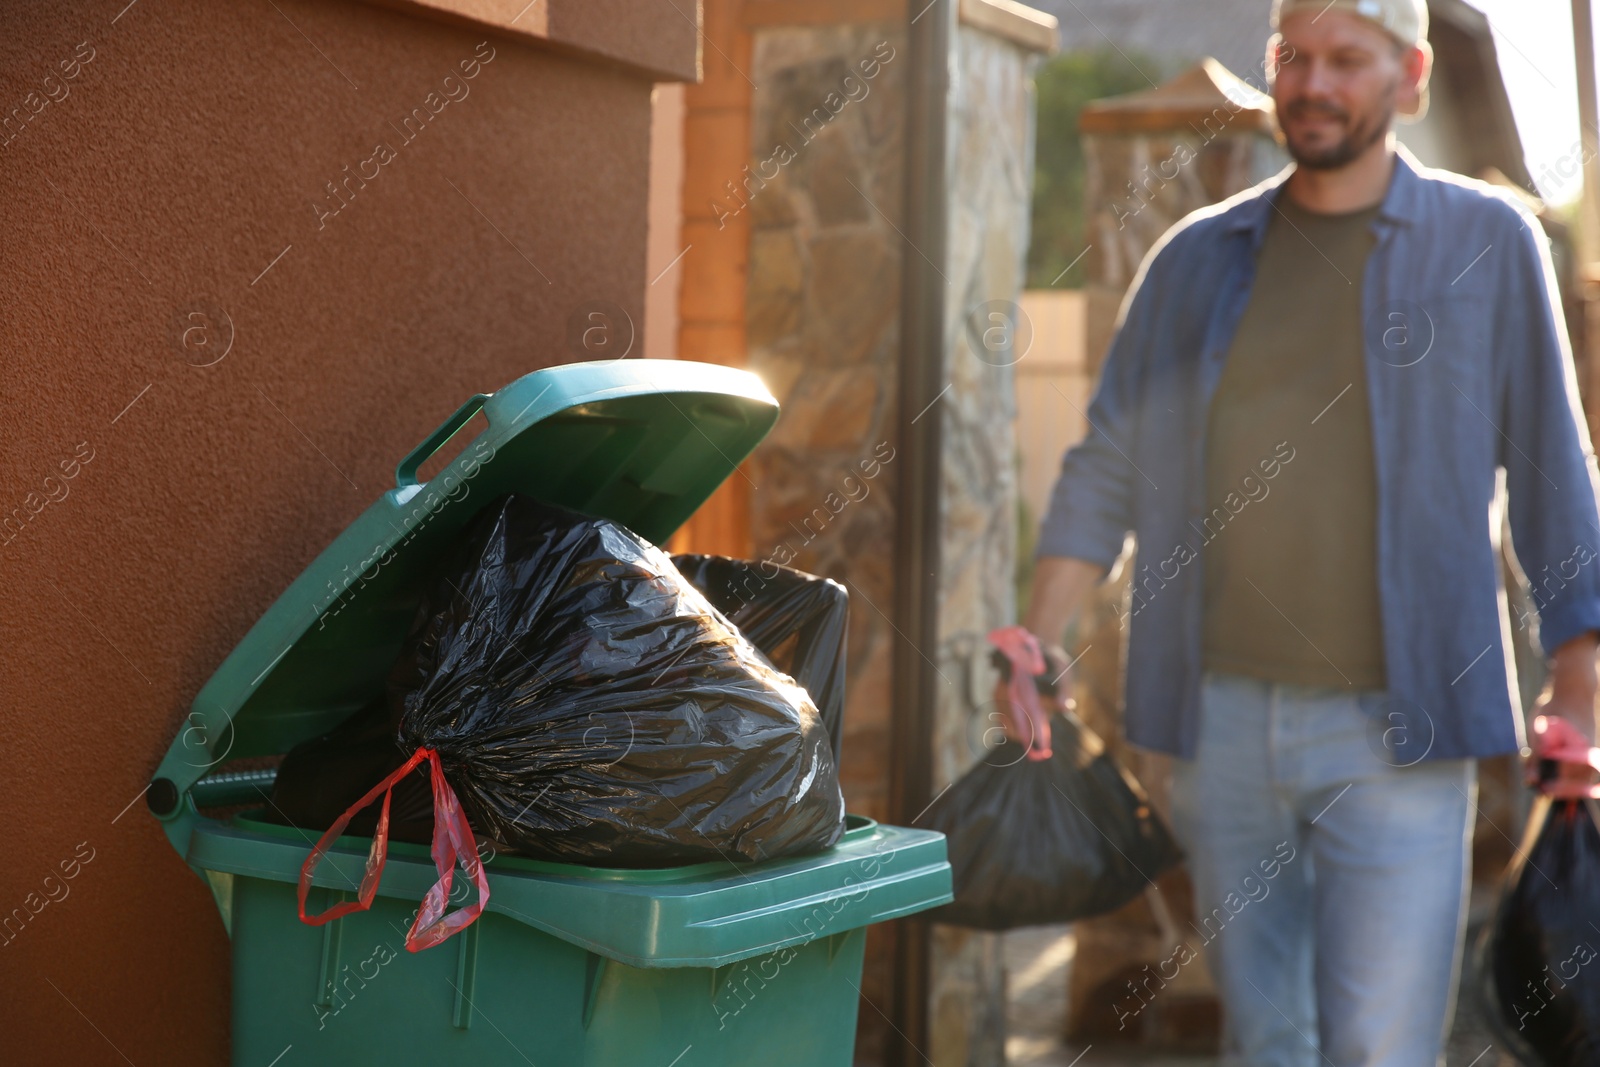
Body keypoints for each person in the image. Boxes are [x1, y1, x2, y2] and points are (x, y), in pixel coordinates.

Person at [1011, 0, 1600, 1063]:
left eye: (1345, 59)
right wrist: (1038, 635)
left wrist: (1581, 680)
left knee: (1378, 1045)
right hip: (1220, 725)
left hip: (1400, 728)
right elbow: (1108, 462)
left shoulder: (1488, 245)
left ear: (1410, 77)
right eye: (1293, 57)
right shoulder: (1194, 261)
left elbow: (1555, 477)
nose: (1313, 83)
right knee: (1268, 1036)